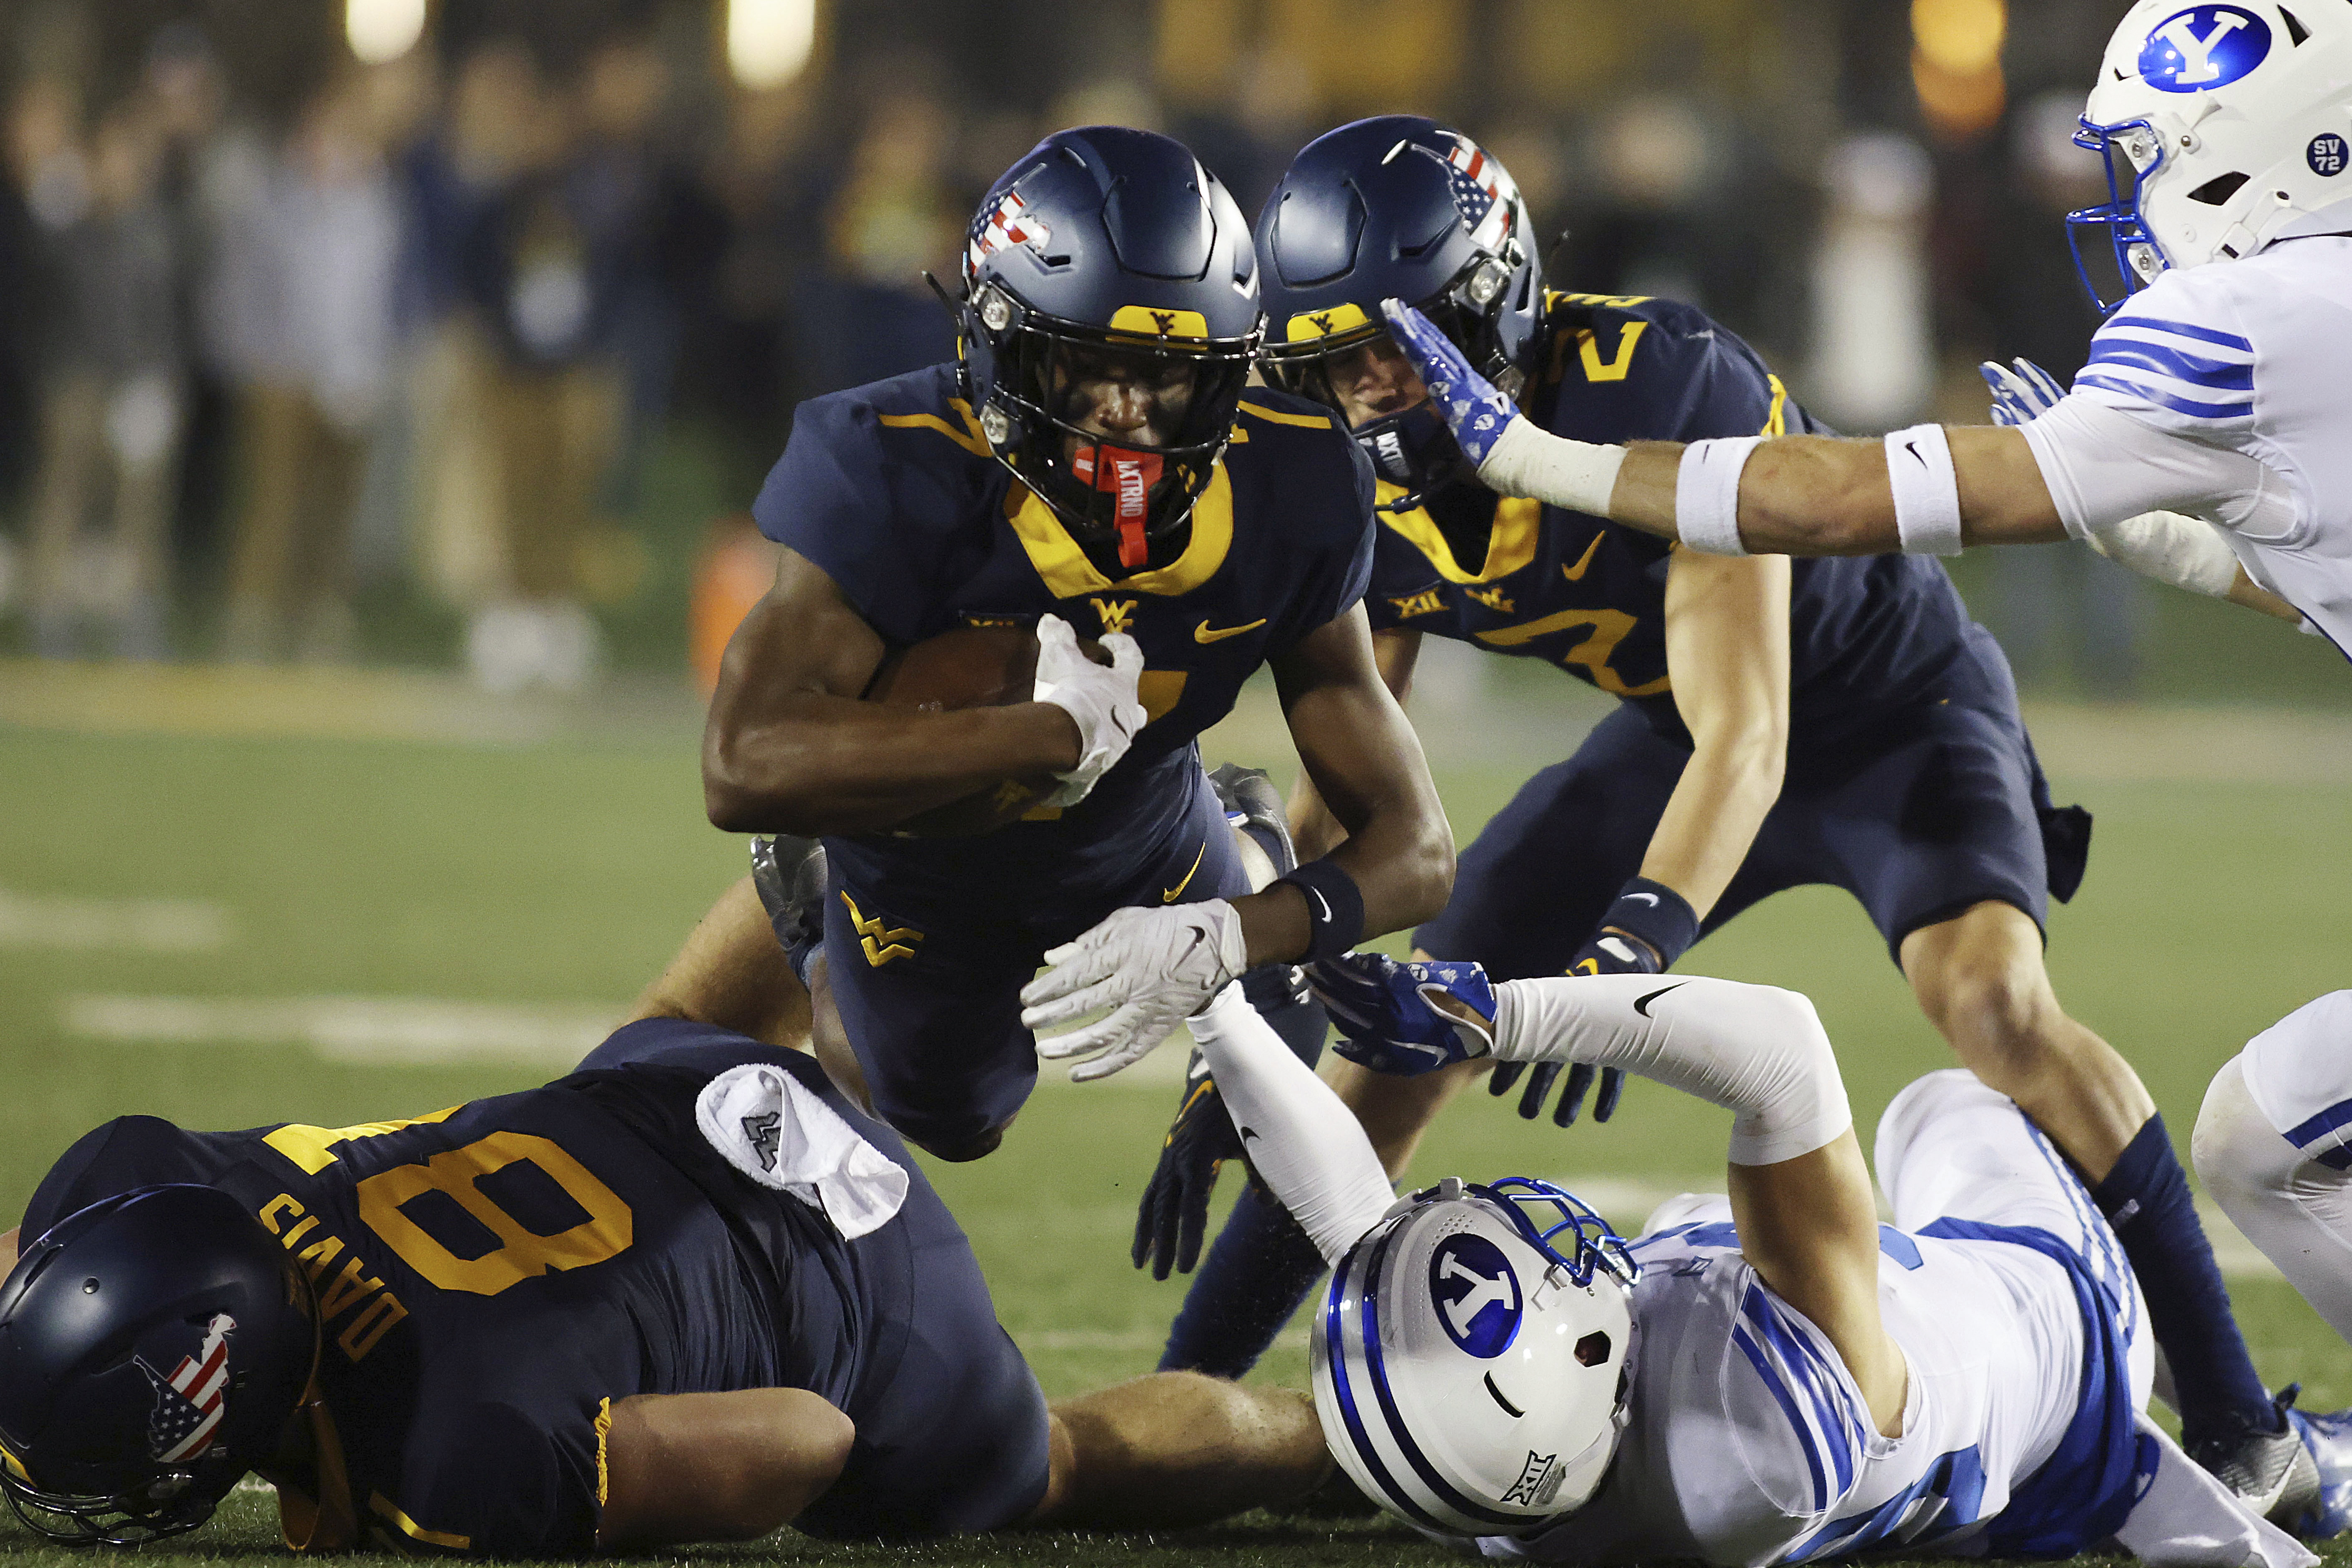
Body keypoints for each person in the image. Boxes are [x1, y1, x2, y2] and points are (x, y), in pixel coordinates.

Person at [1141, 115, 2301, 1511]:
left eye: (1401, 345)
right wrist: (1251, 1024)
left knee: (1994, 1005)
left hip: (1885, 714)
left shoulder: (1661, 375)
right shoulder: (1338, 472)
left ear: (1493, 301)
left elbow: (1754, 736)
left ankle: (2245, 1429)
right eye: (1336, 360)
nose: (1375, 391)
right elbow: (1356, 780)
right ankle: (1186, 1408)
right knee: (1389, 1060)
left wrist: (1626, 959)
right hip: (1672, 735)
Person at [0, 873, 1330, 1553]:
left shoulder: (457, 1456)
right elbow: (46, 1277)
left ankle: (1342, 1441)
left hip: (861, 1271)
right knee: (656, 1035)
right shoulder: (172, 1186)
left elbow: (807, 1439)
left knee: (1054, 1470)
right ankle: (841, 886)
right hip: (681, 1081)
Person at [705, 124, 1450, 1164]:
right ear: (1003, 341)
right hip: (929, 847)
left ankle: (1239, 833)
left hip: (1145, 819)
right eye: (1090, 369)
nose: (1128, 418)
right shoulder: (890, 462)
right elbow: (740, 765)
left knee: (1277, 1038)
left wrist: (1236, 933)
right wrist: (1036, 735)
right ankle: (814, 896)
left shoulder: (1298, 479)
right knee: (941, 1111)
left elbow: (1417, 847)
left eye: (1166, 375)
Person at [1174, 949, 2352, 1560]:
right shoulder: (1767, 1430)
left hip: (1921, 1419)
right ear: (1578, 1359)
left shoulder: (1506, 1484)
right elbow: (1782, 1047)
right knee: (1946, 1103)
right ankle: (2268, 1441)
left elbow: (1352, 1225)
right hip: (2052, 1328)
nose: (1543, 1246)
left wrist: (1213, 1009)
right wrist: (1499, 1016)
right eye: (1549, 1282)